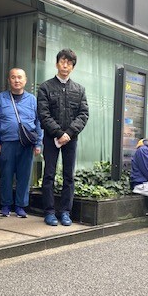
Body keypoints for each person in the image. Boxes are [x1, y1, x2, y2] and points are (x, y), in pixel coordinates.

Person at [37, 48, 89, 226]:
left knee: (69, 176)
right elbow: (43, 114)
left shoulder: (79, 90)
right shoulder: (45, 87)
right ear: (57, 63)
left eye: (69, 63)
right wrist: (59, 133)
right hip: (51, 138)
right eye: (62, 62)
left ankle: (65, 212)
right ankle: (49, 212)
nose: (65, 65)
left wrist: (69, 133)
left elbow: (83, 114)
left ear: (73, 67)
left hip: (71, 139)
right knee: (49, 175)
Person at [0, 68, 42, 217]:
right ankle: (5, 205)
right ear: (9, 80)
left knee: (24, 176)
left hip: (27, 144)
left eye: (19, 77)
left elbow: (39, 122)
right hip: (6, 142)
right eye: (13, 77)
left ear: (25, 80)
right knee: (6, 175)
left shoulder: (32, 100)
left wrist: (38, 143)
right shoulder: (1, 98)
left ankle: (20, 206)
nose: (16, 80)